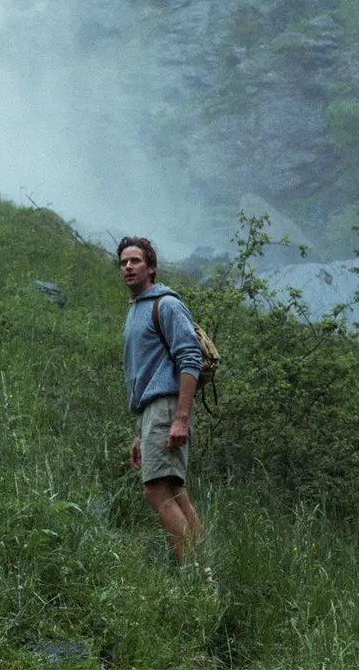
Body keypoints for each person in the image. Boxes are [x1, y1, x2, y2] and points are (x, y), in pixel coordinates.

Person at [118, 236, 210, 575]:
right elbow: (144, 375)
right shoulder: (135, 310)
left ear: (151, 267)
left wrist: (181, 418)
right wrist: (139, 432)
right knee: (174, 490)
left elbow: (190, 358)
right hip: (151, 411)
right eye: (124, 262)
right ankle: (204, 574)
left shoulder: (166, 304)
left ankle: (192, 574)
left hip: (168, 406)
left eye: (136, 261)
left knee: (156, 490)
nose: (128, 267)